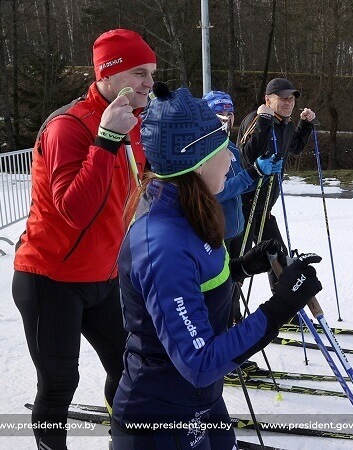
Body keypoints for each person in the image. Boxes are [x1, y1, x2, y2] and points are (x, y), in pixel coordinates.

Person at [111, 84, 323, 449]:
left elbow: (199, 284)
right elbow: (200, 361)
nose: (231, 158)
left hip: (201, 402)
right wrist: (281, 306)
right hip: (161, 417)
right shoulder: (163, 243)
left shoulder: (190, 210)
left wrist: (243, 266)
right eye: (221, 148)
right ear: (193, 161)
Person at [12, 29, 156, 449]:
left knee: (128, 366)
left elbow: (137, 187)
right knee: (59, 383)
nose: (150, 82)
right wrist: (107, 139)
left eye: (152, 72)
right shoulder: (68, 127)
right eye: (140, 72)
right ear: (110, 74)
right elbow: (74, 211)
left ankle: (124, 435)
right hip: (51, 278)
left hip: (105, 276)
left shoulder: (134, 121)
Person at [203, 90, 282, 324]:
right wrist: (253, 173)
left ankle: (233, 322)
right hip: (217, 230)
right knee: (220, 286)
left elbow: (241, 187)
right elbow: (218, 191)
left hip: (237, 227)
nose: (226, 118)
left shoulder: (231, 149)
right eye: (219, 113)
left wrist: (262, 175)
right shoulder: (205, 150)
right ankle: (225, 330)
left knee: (235, 281)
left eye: (229, 113)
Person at [231, 77, 316, 259]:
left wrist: (305, 125)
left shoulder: (286, 124)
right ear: (268, 100)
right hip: (244, 205)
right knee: (239, 262)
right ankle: (233, 288)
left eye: (291, 99)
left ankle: (282, 286)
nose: (288, 102)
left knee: (279, 258)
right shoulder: (255, 119)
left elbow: (294, 147)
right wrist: (264, 120)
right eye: (283, 98)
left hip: (264, 207)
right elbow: (247, 157)